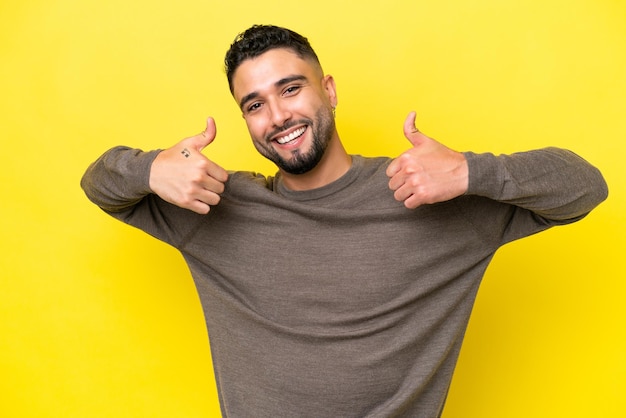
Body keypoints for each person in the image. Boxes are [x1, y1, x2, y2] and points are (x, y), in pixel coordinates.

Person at [81, 25, 608, 418]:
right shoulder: (215, 203)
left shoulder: (427, 191)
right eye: (255, 105)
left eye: (291, 89)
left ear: (328, 90)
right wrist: (150, 169)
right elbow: (99, 184)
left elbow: (585, 187)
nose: (278, 117)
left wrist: (473, 171)